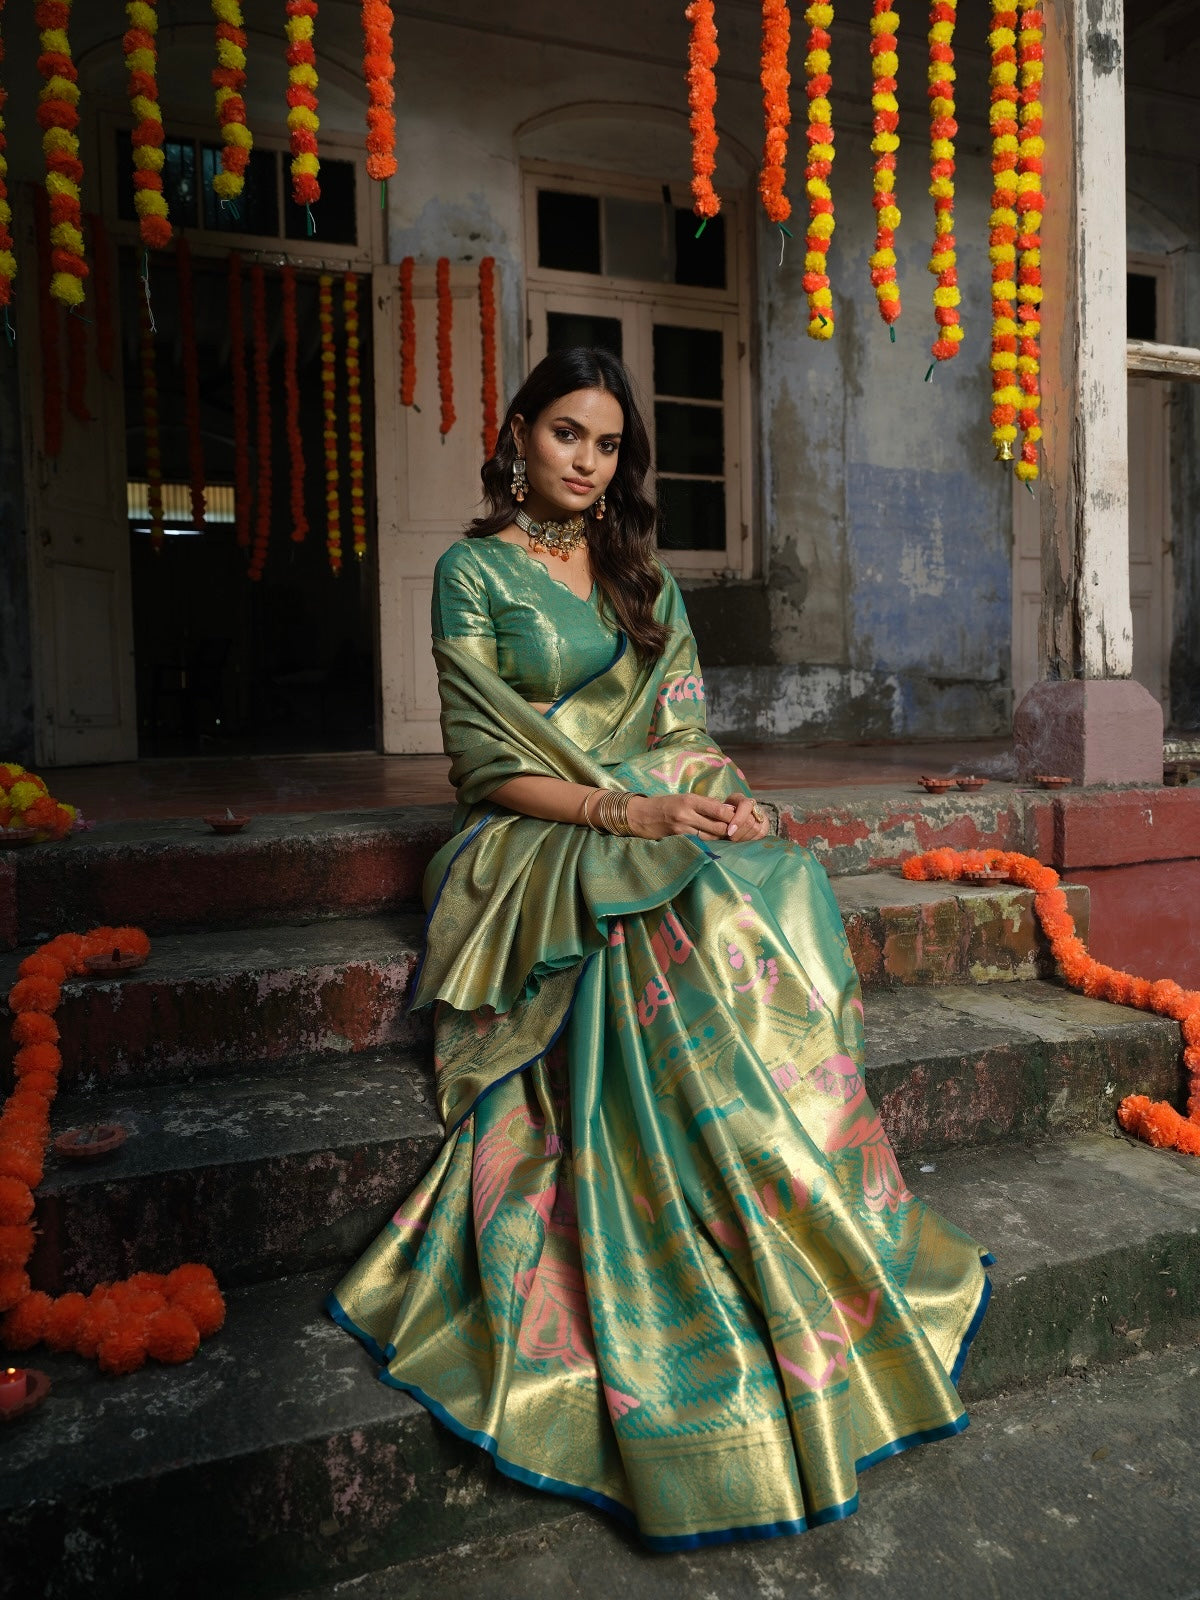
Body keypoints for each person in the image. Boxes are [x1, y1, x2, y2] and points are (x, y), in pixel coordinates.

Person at [327, 347, 992, 1551]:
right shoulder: (472, 572)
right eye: (567, 435)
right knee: (668, 910)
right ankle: (702, 1221)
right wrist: (626, 813)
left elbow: (683, 728)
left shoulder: (640, 576)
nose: (587, 462)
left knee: (773, 874)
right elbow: (484, 761)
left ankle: (795, 1191)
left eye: (610, 444)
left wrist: (719, 798)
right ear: (519, 434)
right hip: (531, 833)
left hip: (652, 810)